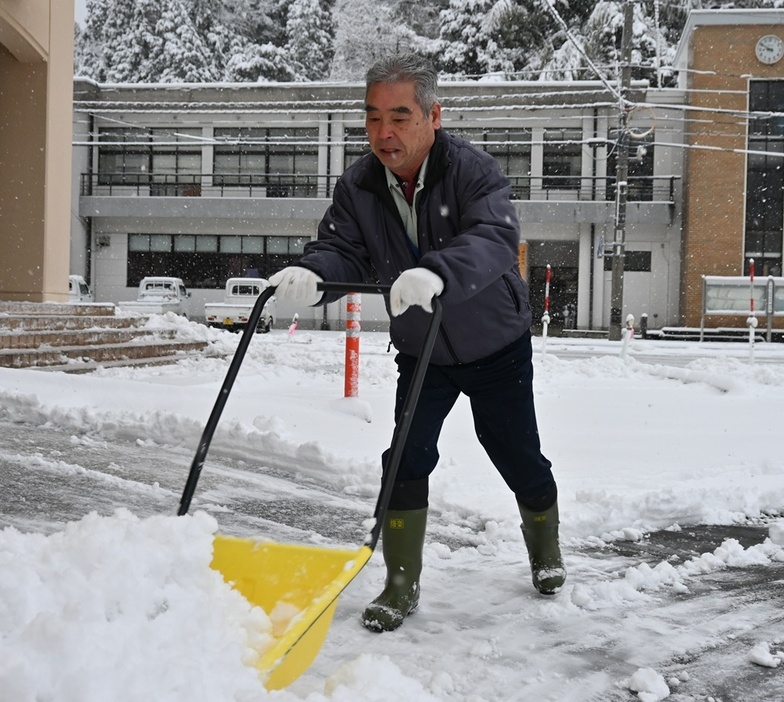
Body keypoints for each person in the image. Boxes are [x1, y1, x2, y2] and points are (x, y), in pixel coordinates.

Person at [269, 52, 565, 633]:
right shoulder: (358, 185)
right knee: (405, 456)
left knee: (515, 454)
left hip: (496, 347)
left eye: (400, 117)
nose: (384, 132)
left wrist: (439, 273)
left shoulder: (472, 171)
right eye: (373, 117)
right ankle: (400, 583)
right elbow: (344, 249)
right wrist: (316, 276)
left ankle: (545, 549)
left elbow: (495, 236)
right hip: (422, 350)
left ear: (434, 115)